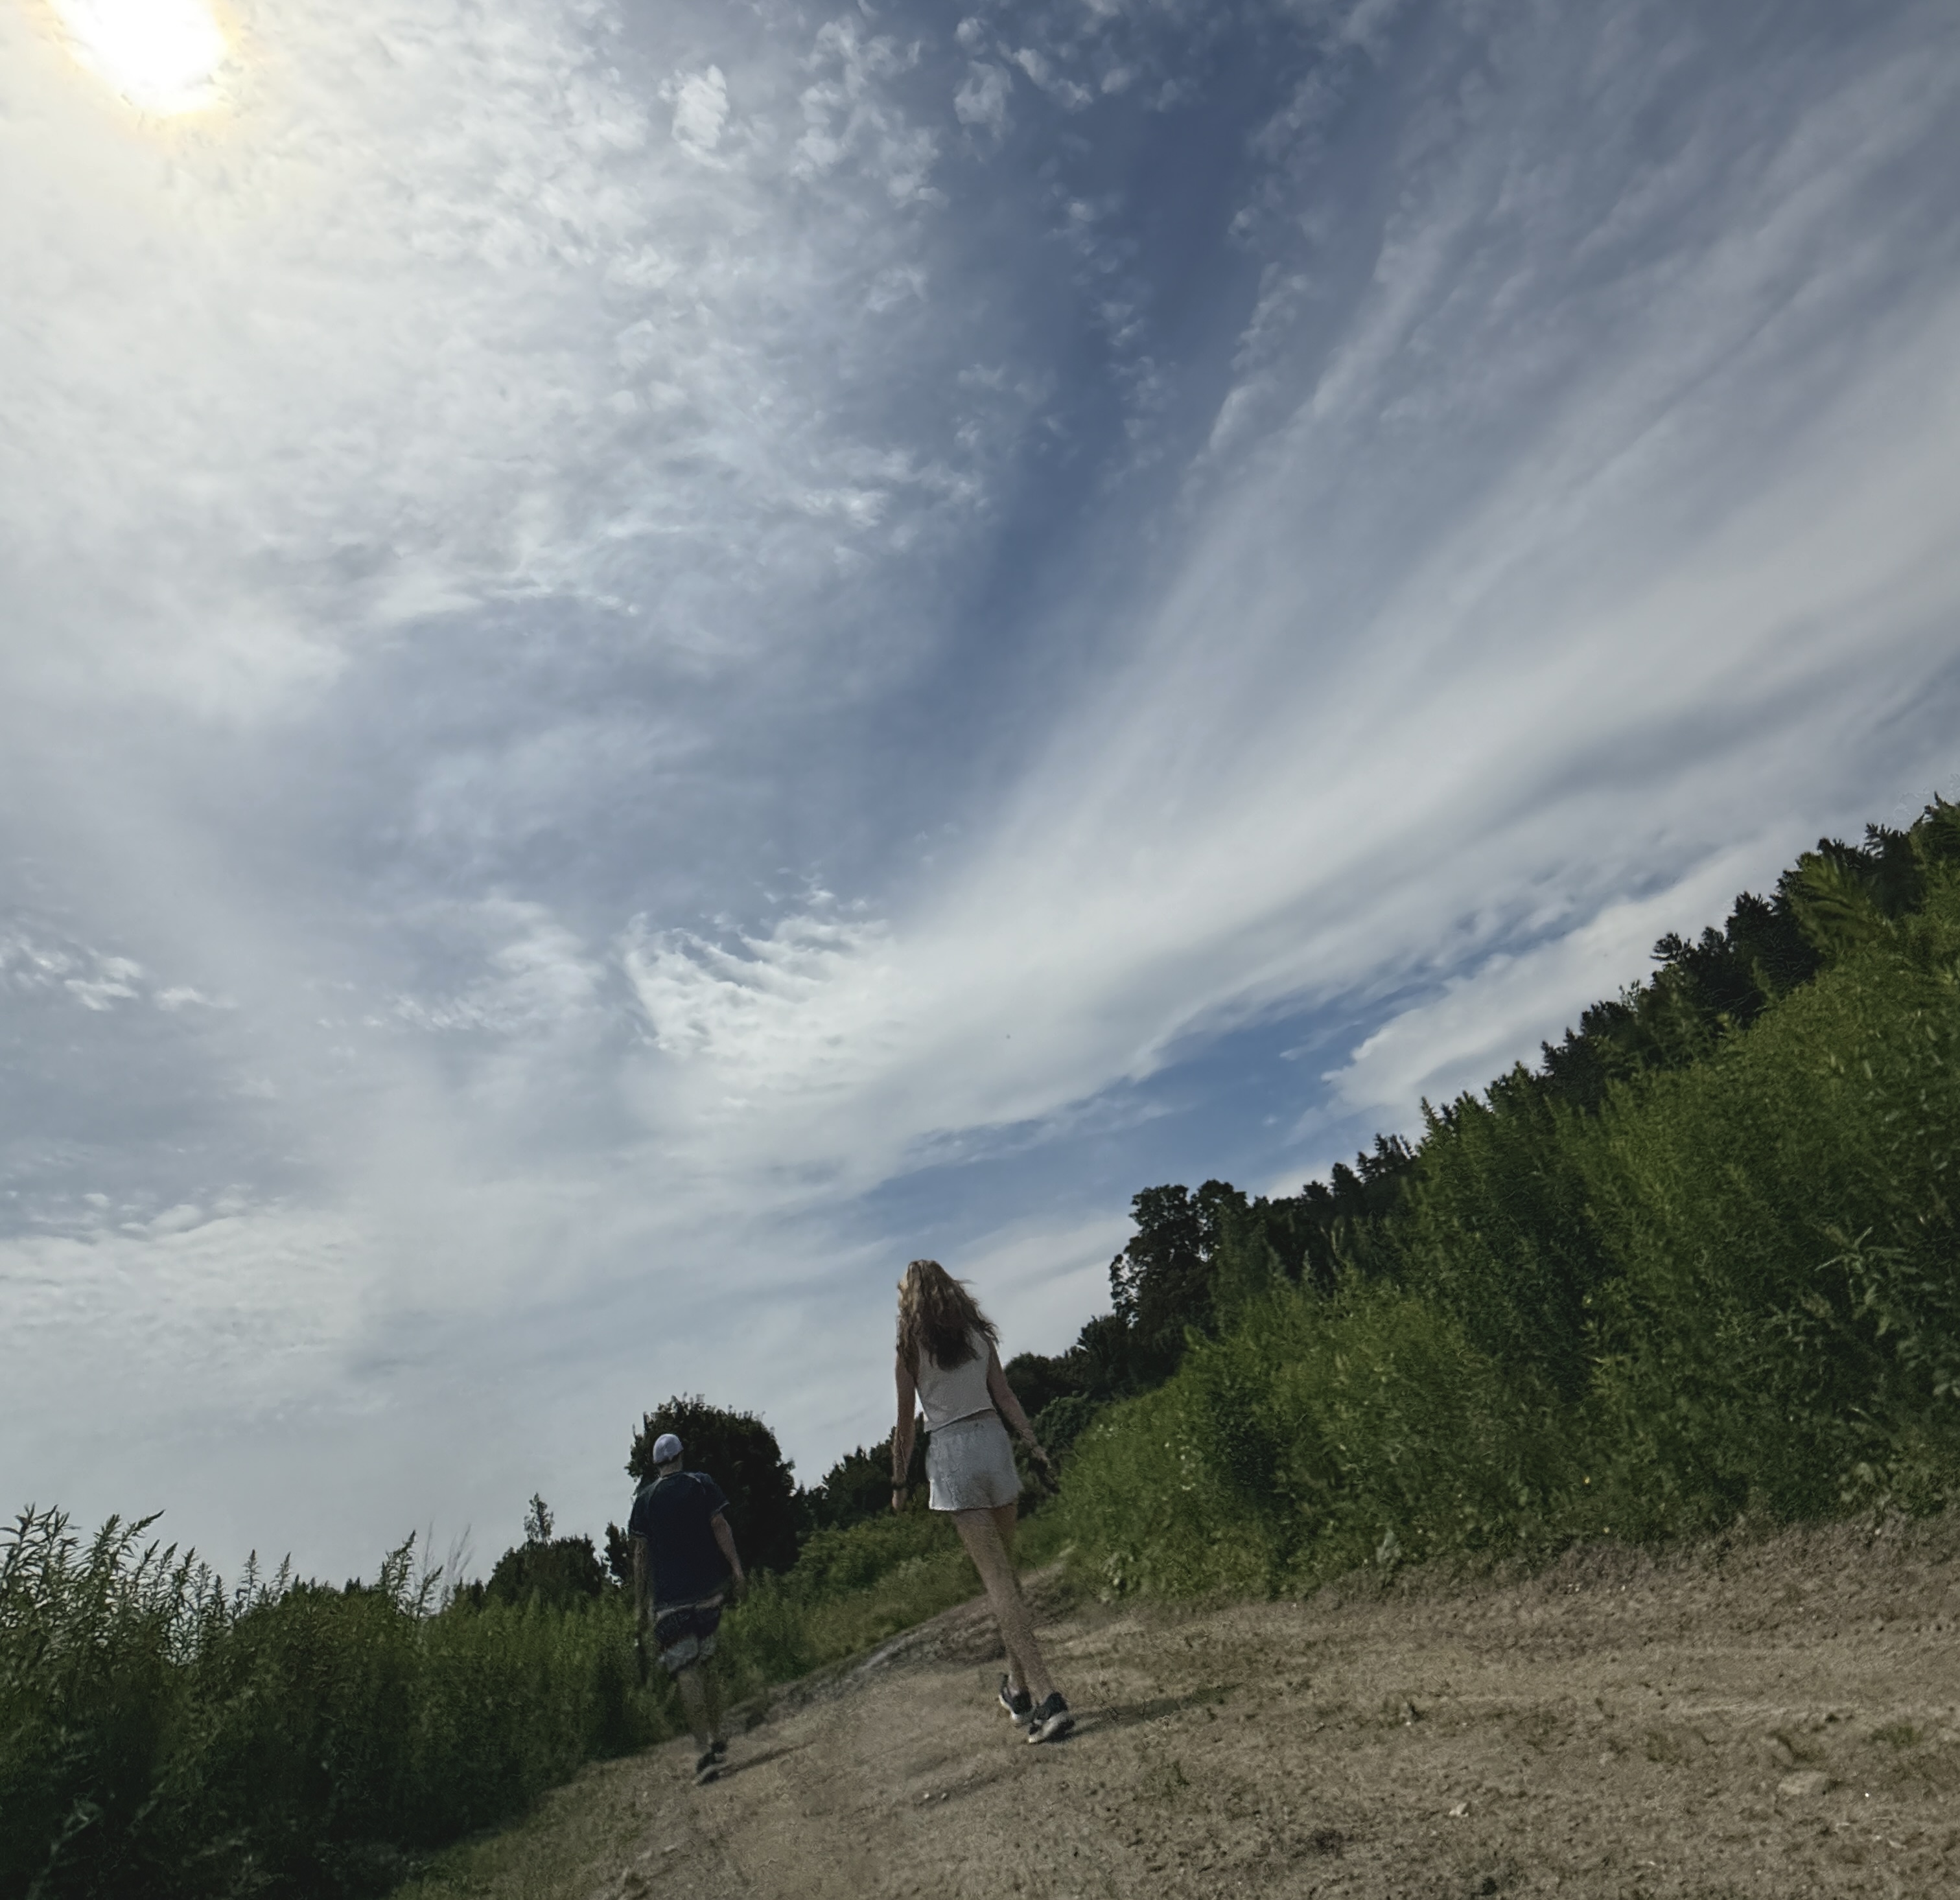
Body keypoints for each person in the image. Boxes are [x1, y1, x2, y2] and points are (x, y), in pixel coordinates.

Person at [891, 1258, 1074, 1744]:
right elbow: (1006, 1396)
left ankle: (1047, 1696)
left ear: (908, 1300)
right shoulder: (978, 1335)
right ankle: (1017, 1689)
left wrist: (898, 1482)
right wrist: (1033, 1445)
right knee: (1007, 1578)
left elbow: (906, 1428)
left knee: (997, 1583)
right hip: (994, 1444)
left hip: (952, 1453)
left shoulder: (910, 1347)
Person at [629, 1431, 747, 1785]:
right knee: (707, 1664)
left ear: (656, 1464)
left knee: (686, 1671)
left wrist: (640, 1604)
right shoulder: (702, 1483)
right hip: (709, 1593)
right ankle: (719, 1732)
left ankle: (705, 1749)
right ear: (681, 1455)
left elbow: (640, 1555)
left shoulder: (644, 1500)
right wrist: (737, 1570)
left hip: (669, 1602)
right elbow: (719, 1525)